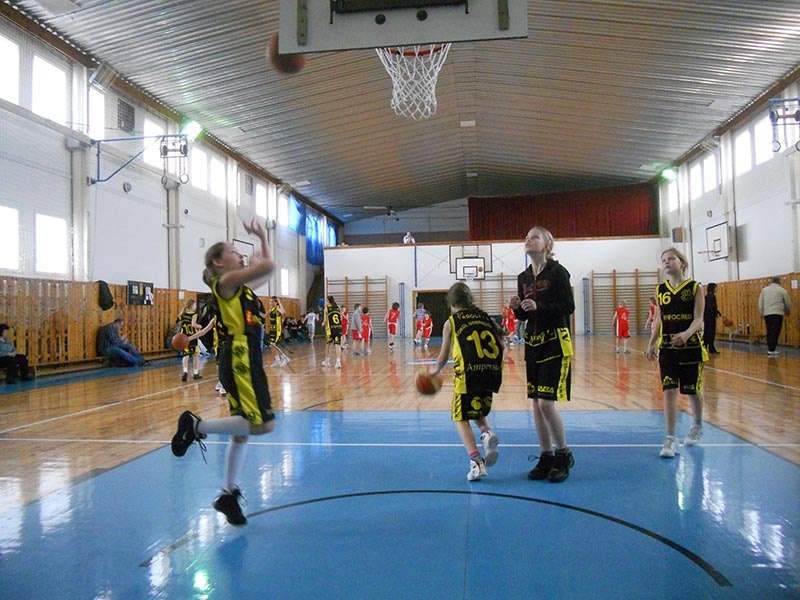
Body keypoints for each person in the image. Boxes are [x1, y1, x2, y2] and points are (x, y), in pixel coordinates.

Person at [171, 218, 276, 526]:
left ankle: (228, 494)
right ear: (219, 262)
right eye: (233, 251)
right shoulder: (225, 283)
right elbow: (268, 265)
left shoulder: (240, 288)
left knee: (241, 433)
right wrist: (261, 237)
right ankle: (195, 426)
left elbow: (266, 271)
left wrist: (259, 251)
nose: (239, 254)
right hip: (240, 357)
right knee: (262, 425)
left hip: (241, 357)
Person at [510, 226, 575, 483]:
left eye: (534, 236)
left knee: (547, 403)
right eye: (526, 237)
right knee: (536, 404)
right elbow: (526, 315)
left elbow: (568, 306)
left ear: (547, 244)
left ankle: (563, 454)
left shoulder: (558, 272)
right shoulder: (523, 277)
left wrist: (540, 305)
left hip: (555, 341)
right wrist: (517, 309)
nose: (528, 239)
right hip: (533, 344)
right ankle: (546, 455)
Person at [429, 282, 504, 481]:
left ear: (451, 303)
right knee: (476, 406)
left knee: (460, 417)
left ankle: (476, 463)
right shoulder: (486, 318)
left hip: (468, 374)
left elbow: (443, 356)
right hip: (491, 372)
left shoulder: (452, 322)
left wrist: (434, 371)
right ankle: (486, 433)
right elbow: (502, 343)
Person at [645, 247, 707, 459]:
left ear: (682, 262)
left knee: (692, 390)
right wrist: (652, 343)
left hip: (691, 348)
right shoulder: (660, 290)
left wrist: (687, 334)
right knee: (669, 390)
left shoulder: (695, 287)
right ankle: (670, 438)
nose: (666, 262)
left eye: (671, 258)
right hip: (668, 348)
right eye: (663, 259)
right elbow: (659, 319)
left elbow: (699, 319)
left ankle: (697, 425)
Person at [758, 276, 792, 357]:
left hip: (767, 313)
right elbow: (787, 302)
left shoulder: (765, 290)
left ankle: (770, 348)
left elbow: (760, 301)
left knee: (769, 330)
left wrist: (761, 311)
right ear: (779, 282)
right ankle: (772, 349)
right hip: (778, 313)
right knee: (775, 331)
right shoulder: (782, 290)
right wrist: (788, 311)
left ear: (771, 281)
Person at [178, 299, 203, 381]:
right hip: (193, 337)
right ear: (191, 306)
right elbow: (193, 324)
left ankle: (185, 371)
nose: (196, 306)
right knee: (195, 355)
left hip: (184, 337)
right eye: (195, 305)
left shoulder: (182, 314)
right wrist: (200, 326)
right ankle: (195, 373)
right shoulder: (194, 314)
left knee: (186, 355)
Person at [322, 295, 343, 368]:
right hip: (338, 328)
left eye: (326, 301)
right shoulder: (338, 307)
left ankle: (327, 361)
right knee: (338, 345)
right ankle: (338, 362)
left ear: (328, 301)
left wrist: (323, 324)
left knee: (328, 345)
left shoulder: (326, 309)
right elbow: (341, 318)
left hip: (330, 330)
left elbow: (325, 321)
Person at [703, 283, 722, 354]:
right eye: (715, 287)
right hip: (710, 317)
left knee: (707, 332)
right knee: (711, 333)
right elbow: (711, 308)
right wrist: (716, 313)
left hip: (707, 317)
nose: (717, 289)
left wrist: (718, 312)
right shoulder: (711, 297)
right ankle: (711, 348)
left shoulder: (706, 297)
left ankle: (705, 347)